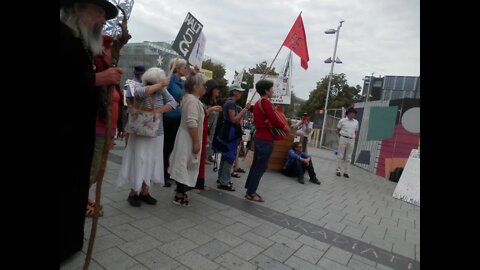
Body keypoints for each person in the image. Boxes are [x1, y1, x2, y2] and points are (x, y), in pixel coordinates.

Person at [60, 0, 121, 263]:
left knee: (75, 188)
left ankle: (70, 240)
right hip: (63, 137)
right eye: (100, 13)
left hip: (77, 136)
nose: (103, 20)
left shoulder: (82, 43)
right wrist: (96, 79)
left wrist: (103, 73)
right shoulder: (61, 37)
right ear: (78, 9)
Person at [116, 67, 175, 206]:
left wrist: (158, 111)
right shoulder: (137, 86)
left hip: (156, 133)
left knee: (151, 161)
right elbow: (139, 93)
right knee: (140, 160)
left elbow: (173, 103)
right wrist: (161, 84)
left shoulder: (161, 90)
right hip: (141, 133)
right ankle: (133, 192)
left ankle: (145, 191)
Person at [86, 34, 124, 217]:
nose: (117, 55)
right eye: (113, 51)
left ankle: (83, 199)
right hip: (98, 129)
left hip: (108, 131)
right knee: (92, 170)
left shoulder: (111, 71)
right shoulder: (98, 67)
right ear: (104, 49)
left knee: (98, 171)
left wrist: (115, 132)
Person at [244, 80, 290, 202]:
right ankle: (251, 192)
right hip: (265, 138)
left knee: (256, 165)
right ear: (266, 90)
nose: (273, 91)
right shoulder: (265, 103)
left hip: (259, 136)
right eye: (271, 89)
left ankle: (249, 189)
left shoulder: (258, 103)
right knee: (261, 166)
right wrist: (285, 127)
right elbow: (274, 119)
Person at [168, 74, 207, 206]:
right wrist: (196, 142)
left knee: (184, 163)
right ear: (196, 87)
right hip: (188, 137)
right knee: (184, 164)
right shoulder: (192, 101)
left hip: (186, 136)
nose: (205, 87)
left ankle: (181, 192)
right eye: (203, 84)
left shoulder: (190, 99)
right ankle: (179, 194)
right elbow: (192, 122)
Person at [215, 84, 250, 191]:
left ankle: (222, 178)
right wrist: (245, 110)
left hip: (228, 132)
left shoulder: (230, 103)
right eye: (239, 91)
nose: (241, 93)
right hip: (229, 133)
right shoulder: (230, 103)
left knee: (226, 156)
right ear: (234, 92)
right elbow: (233, 120)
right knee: (229, 157)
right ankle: (224, 182)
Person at [163, 58, 189, 187]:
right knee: (166, 146)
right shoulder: (171, 79)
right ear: (178, 68)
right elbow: (164, 93)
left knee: (172, 146)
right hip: (168, 116)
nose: (186, 69)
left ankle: (167, 171)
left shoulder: (181, 82)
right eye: (185, 67)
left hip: (178, 117)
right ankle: (163, 173)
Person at [336, 107, 359, 178]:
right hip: (343, 138)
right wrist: (340, 137)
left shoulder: (356, 122)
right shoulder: (342, 121)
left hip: (351, 139)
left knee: (348, 157)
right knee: (340, 155)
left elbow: (356, 131)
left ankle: (346, 172)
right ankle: (338, 171)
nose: (353, 114)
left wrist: (353, 137)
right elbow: (337, 129)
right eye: (351, 113)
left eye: (354, 113)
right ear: (348, 113)